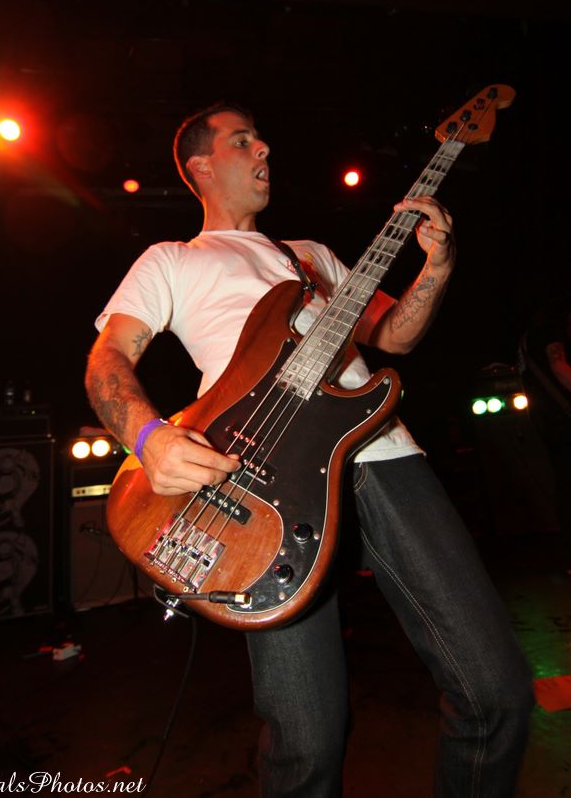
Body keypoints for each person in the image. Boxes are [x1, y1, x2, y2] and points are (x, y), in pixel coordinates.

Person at [85, 102, 533, 797]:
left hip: (382, 456)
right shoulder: (173, 259)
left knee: (497, 692)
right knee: (306, 742)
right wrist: (149, 436)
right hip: (257, 479)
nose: (264, 147)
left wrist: (437, 266)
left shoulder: (313, 257)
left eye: (262, 137)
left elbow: (395, 335)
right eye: (243, 141)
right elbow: (108, 358)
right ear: (201, 166)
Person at [518, 289, 571, 568]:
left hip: (548, 422)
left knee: (565, 485)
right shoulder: (550, 330)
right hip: (562, 421)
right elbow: (559, 367)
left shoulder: (528, 336)